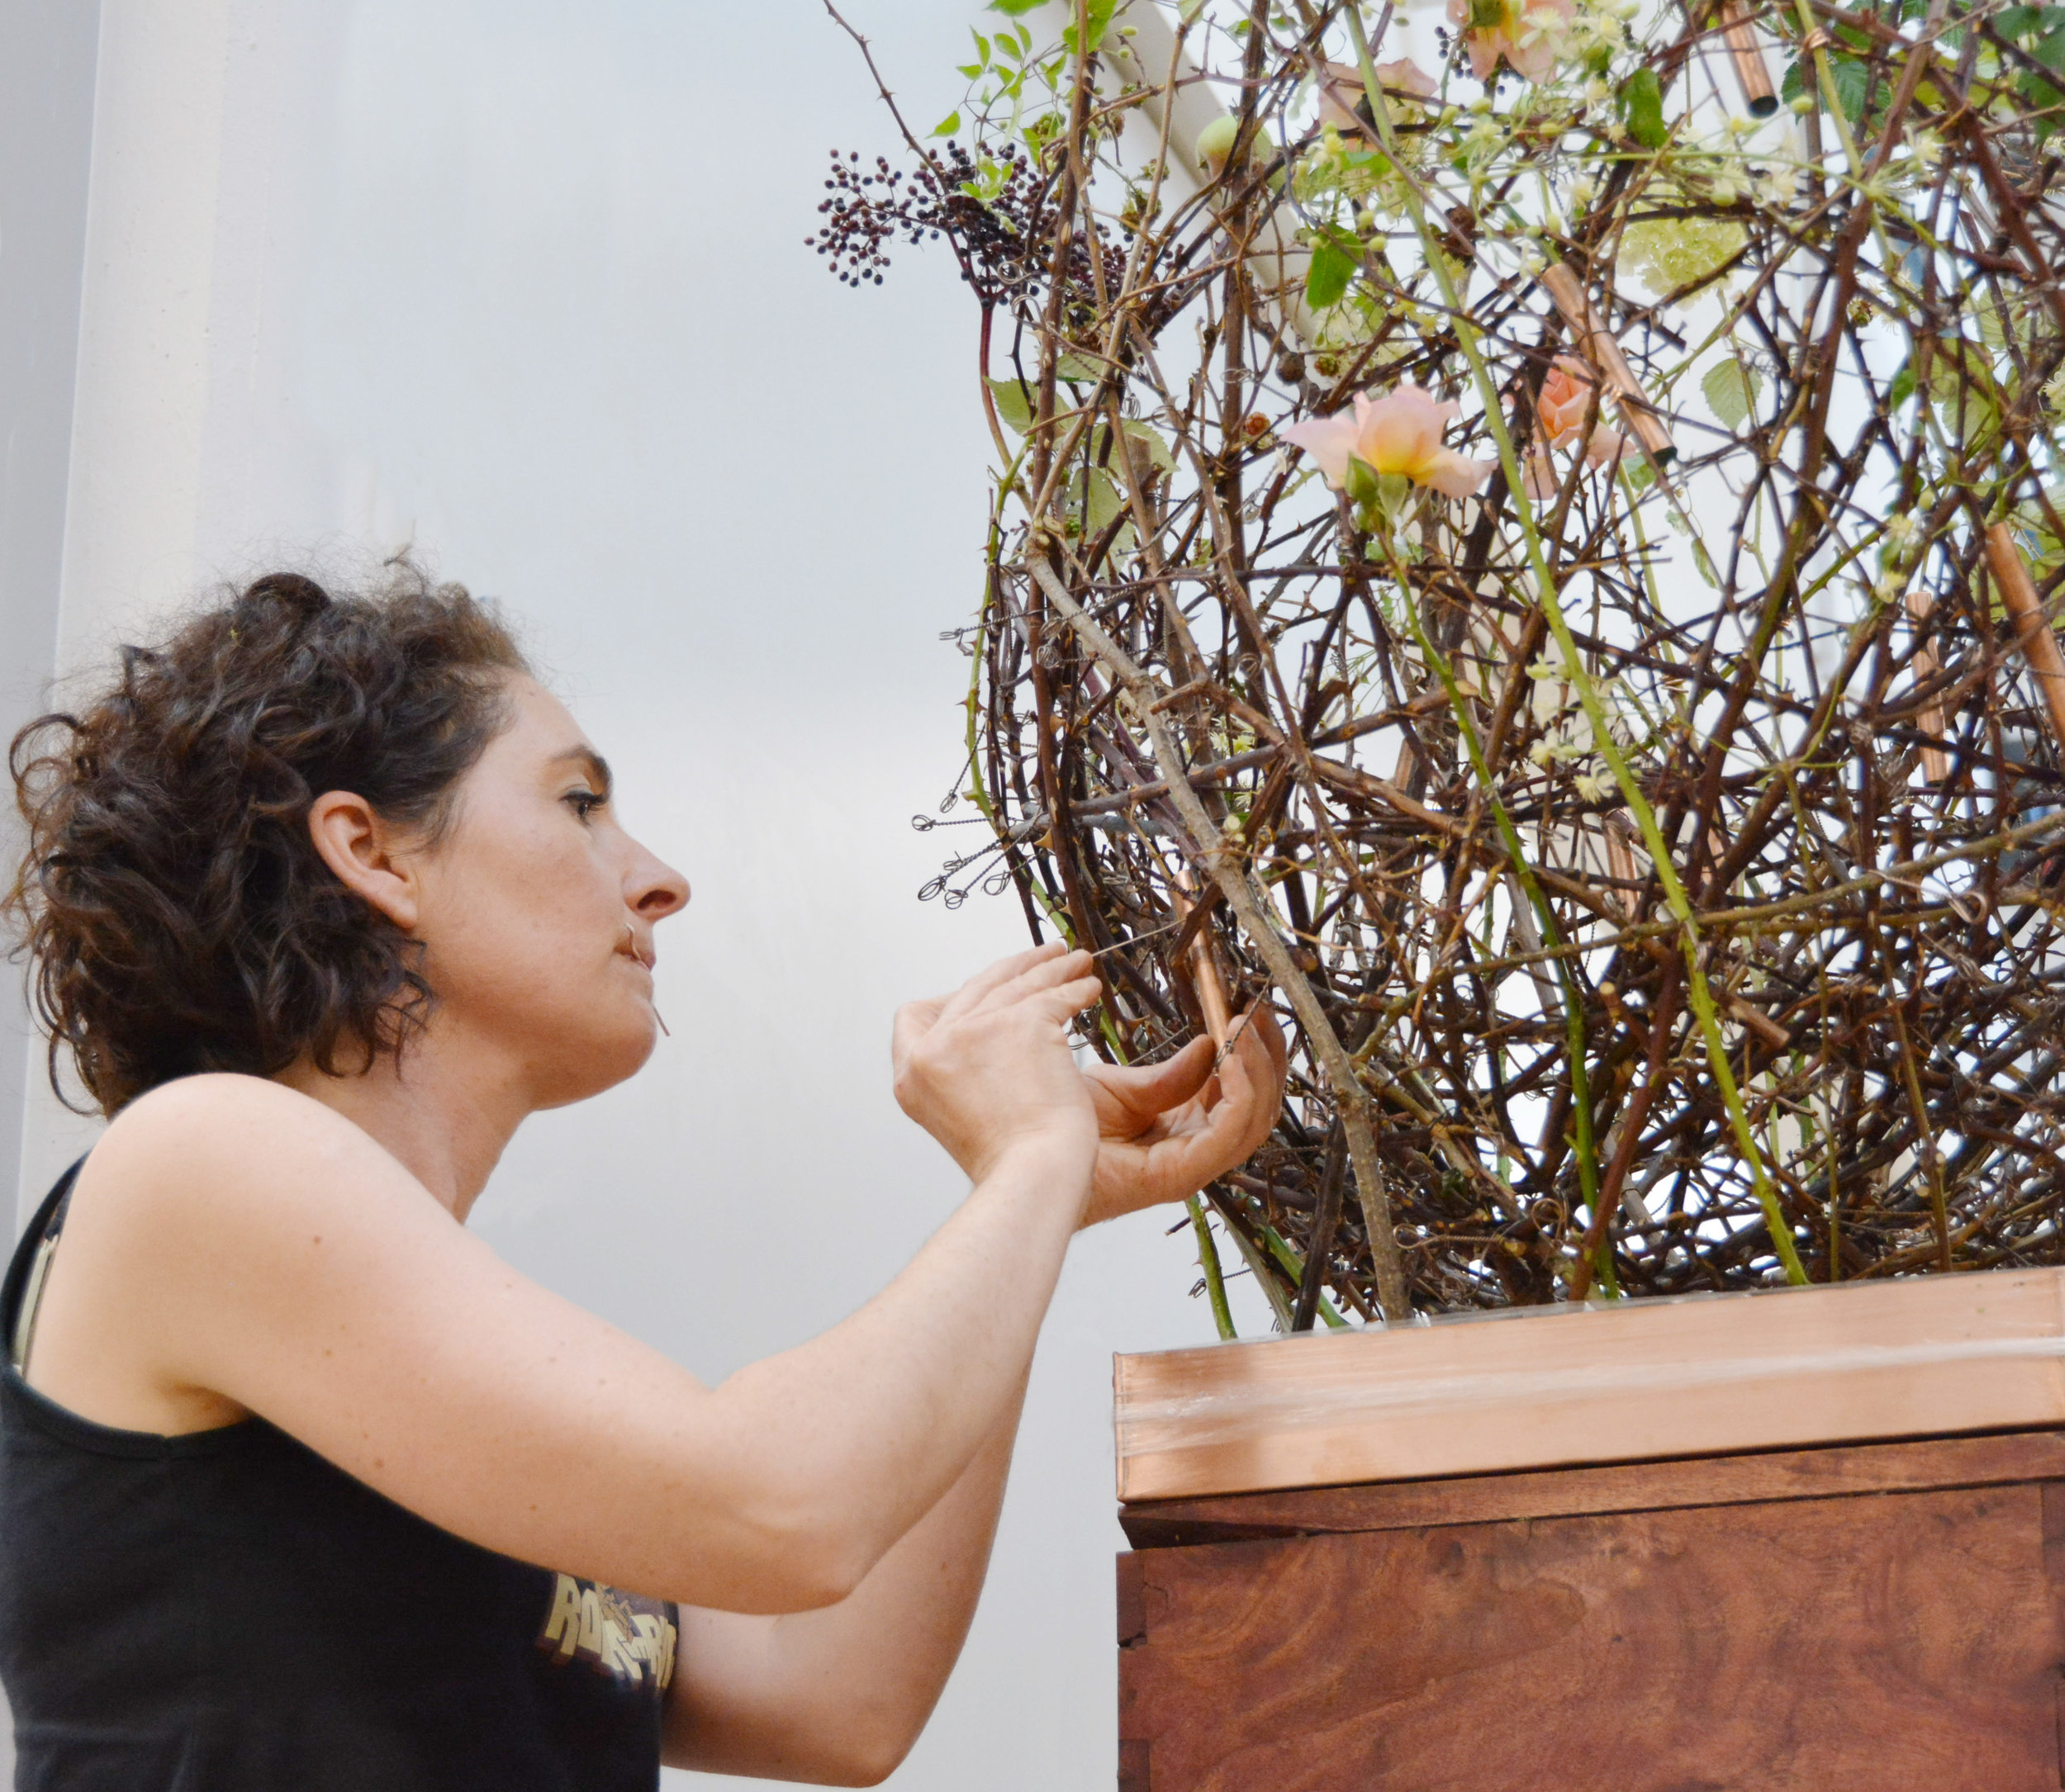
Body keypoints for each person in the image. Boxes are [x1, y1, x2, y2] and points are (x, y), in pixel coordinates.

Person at [0, 568, 1285, 1790]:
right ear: (373, 852)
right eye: (576, 802)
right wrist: (1029, 1162)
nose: (659, 878)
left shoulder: (412, 1367)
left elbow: (838, 1697)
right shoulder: (202, 1157)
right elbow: (785, 1504)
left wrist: (1035, 1202)